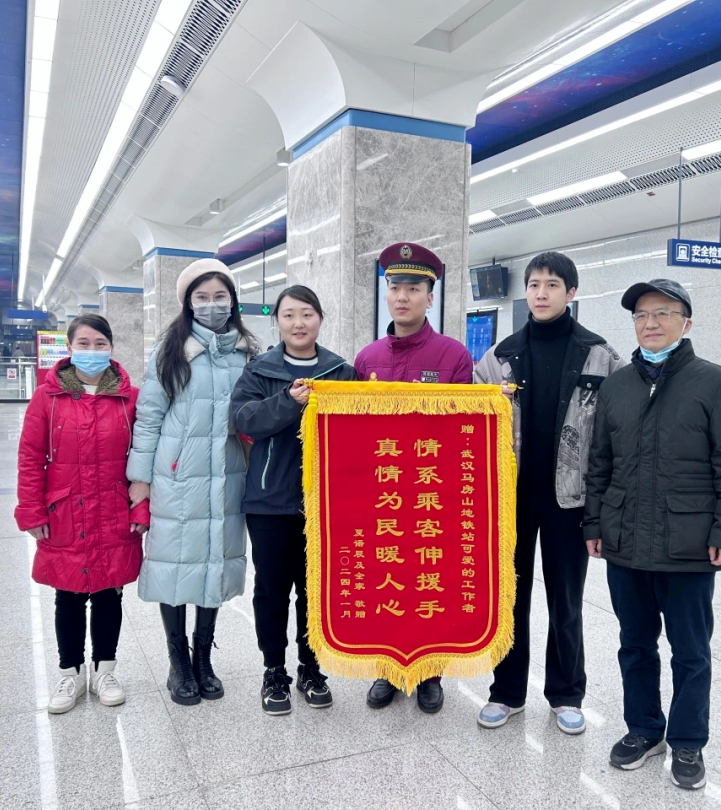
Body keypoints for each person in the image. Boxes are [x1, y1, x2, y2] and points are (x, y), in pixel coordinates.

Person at [583, 279, 721, 790]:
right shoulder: (617, 386)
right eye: (641, 315)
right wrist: (594, 523)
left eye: (662, 313)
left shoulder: (716, 384)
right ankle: (644, 729)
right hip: (625, 541)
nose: (650, 323)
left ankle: (687, 741)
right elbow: (599, 463)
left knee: (691, 651)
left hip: (690, 544)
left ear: (687, 322)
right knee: (634, 644)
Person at [473, 251, 624, 735]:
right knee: (509, 598)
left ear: (571, 293)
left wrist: (604, 506)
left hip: (570, 500)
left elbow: (615, 435)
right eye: (534, 284)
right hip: (511, 499)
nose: (541, 293)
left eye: (552, 285)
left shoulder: (600, 356)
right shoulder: (499, 357)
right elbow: (470, 425)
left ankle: (566, 693)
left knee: (566, 601)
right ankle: (506, 691)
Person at [127, 258, 258, 706]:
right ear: (188, 303)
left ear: (233, 301)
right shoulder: (171, 349)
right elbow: (149, 417)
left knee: (215, 563)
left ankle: (203, 658)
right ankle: (178, 662)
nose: (211, 304)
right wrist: (140, 480)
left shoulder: (248, 351)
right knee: (175, 565)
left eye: (220, 296)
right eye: (201, 297)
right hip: (178, 476)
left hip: (229, 475)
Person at [355, 242, 473, 714]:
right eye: (395, 287)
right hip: (381, 492)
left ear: (430, 296)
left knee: (430, 582)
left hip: (430, 492)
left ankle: (430, 674)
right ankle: (387, 668)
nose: (402, 297)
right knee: (385, 580)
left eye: (413, 288)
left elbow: (462, 427)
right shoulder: (367, 358)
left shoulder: (453, 356)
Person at [232, 285, 357, 715]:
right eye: (289, 315)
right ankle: (273, 670)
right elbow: (244, 419)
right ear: (278, 322)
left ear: (320, 319)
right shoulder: (259, 370)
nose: (298, 323)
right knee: (271, 590)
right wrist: (287, 401)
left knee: (315, 590)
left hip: (325, 503)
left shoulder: (342, 371)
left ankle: (310, 667)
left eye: (307, 314)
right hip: (269, 500)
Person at [15, 313, 149, 714]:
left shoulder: (130, 399)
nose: (92, 351)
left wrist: (142, 506)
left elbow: (145, 458)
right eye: (84, 344)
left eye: (100, 344)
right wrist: (31, 510)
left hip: (113, 507)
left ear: (111, 347)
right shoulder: (47, 398)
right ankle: (70, 672)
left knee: (109, 591)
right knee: (69, 593)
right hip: (64, 510)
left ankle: (105, 670)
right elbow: (30, 457)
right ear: (70, 348)